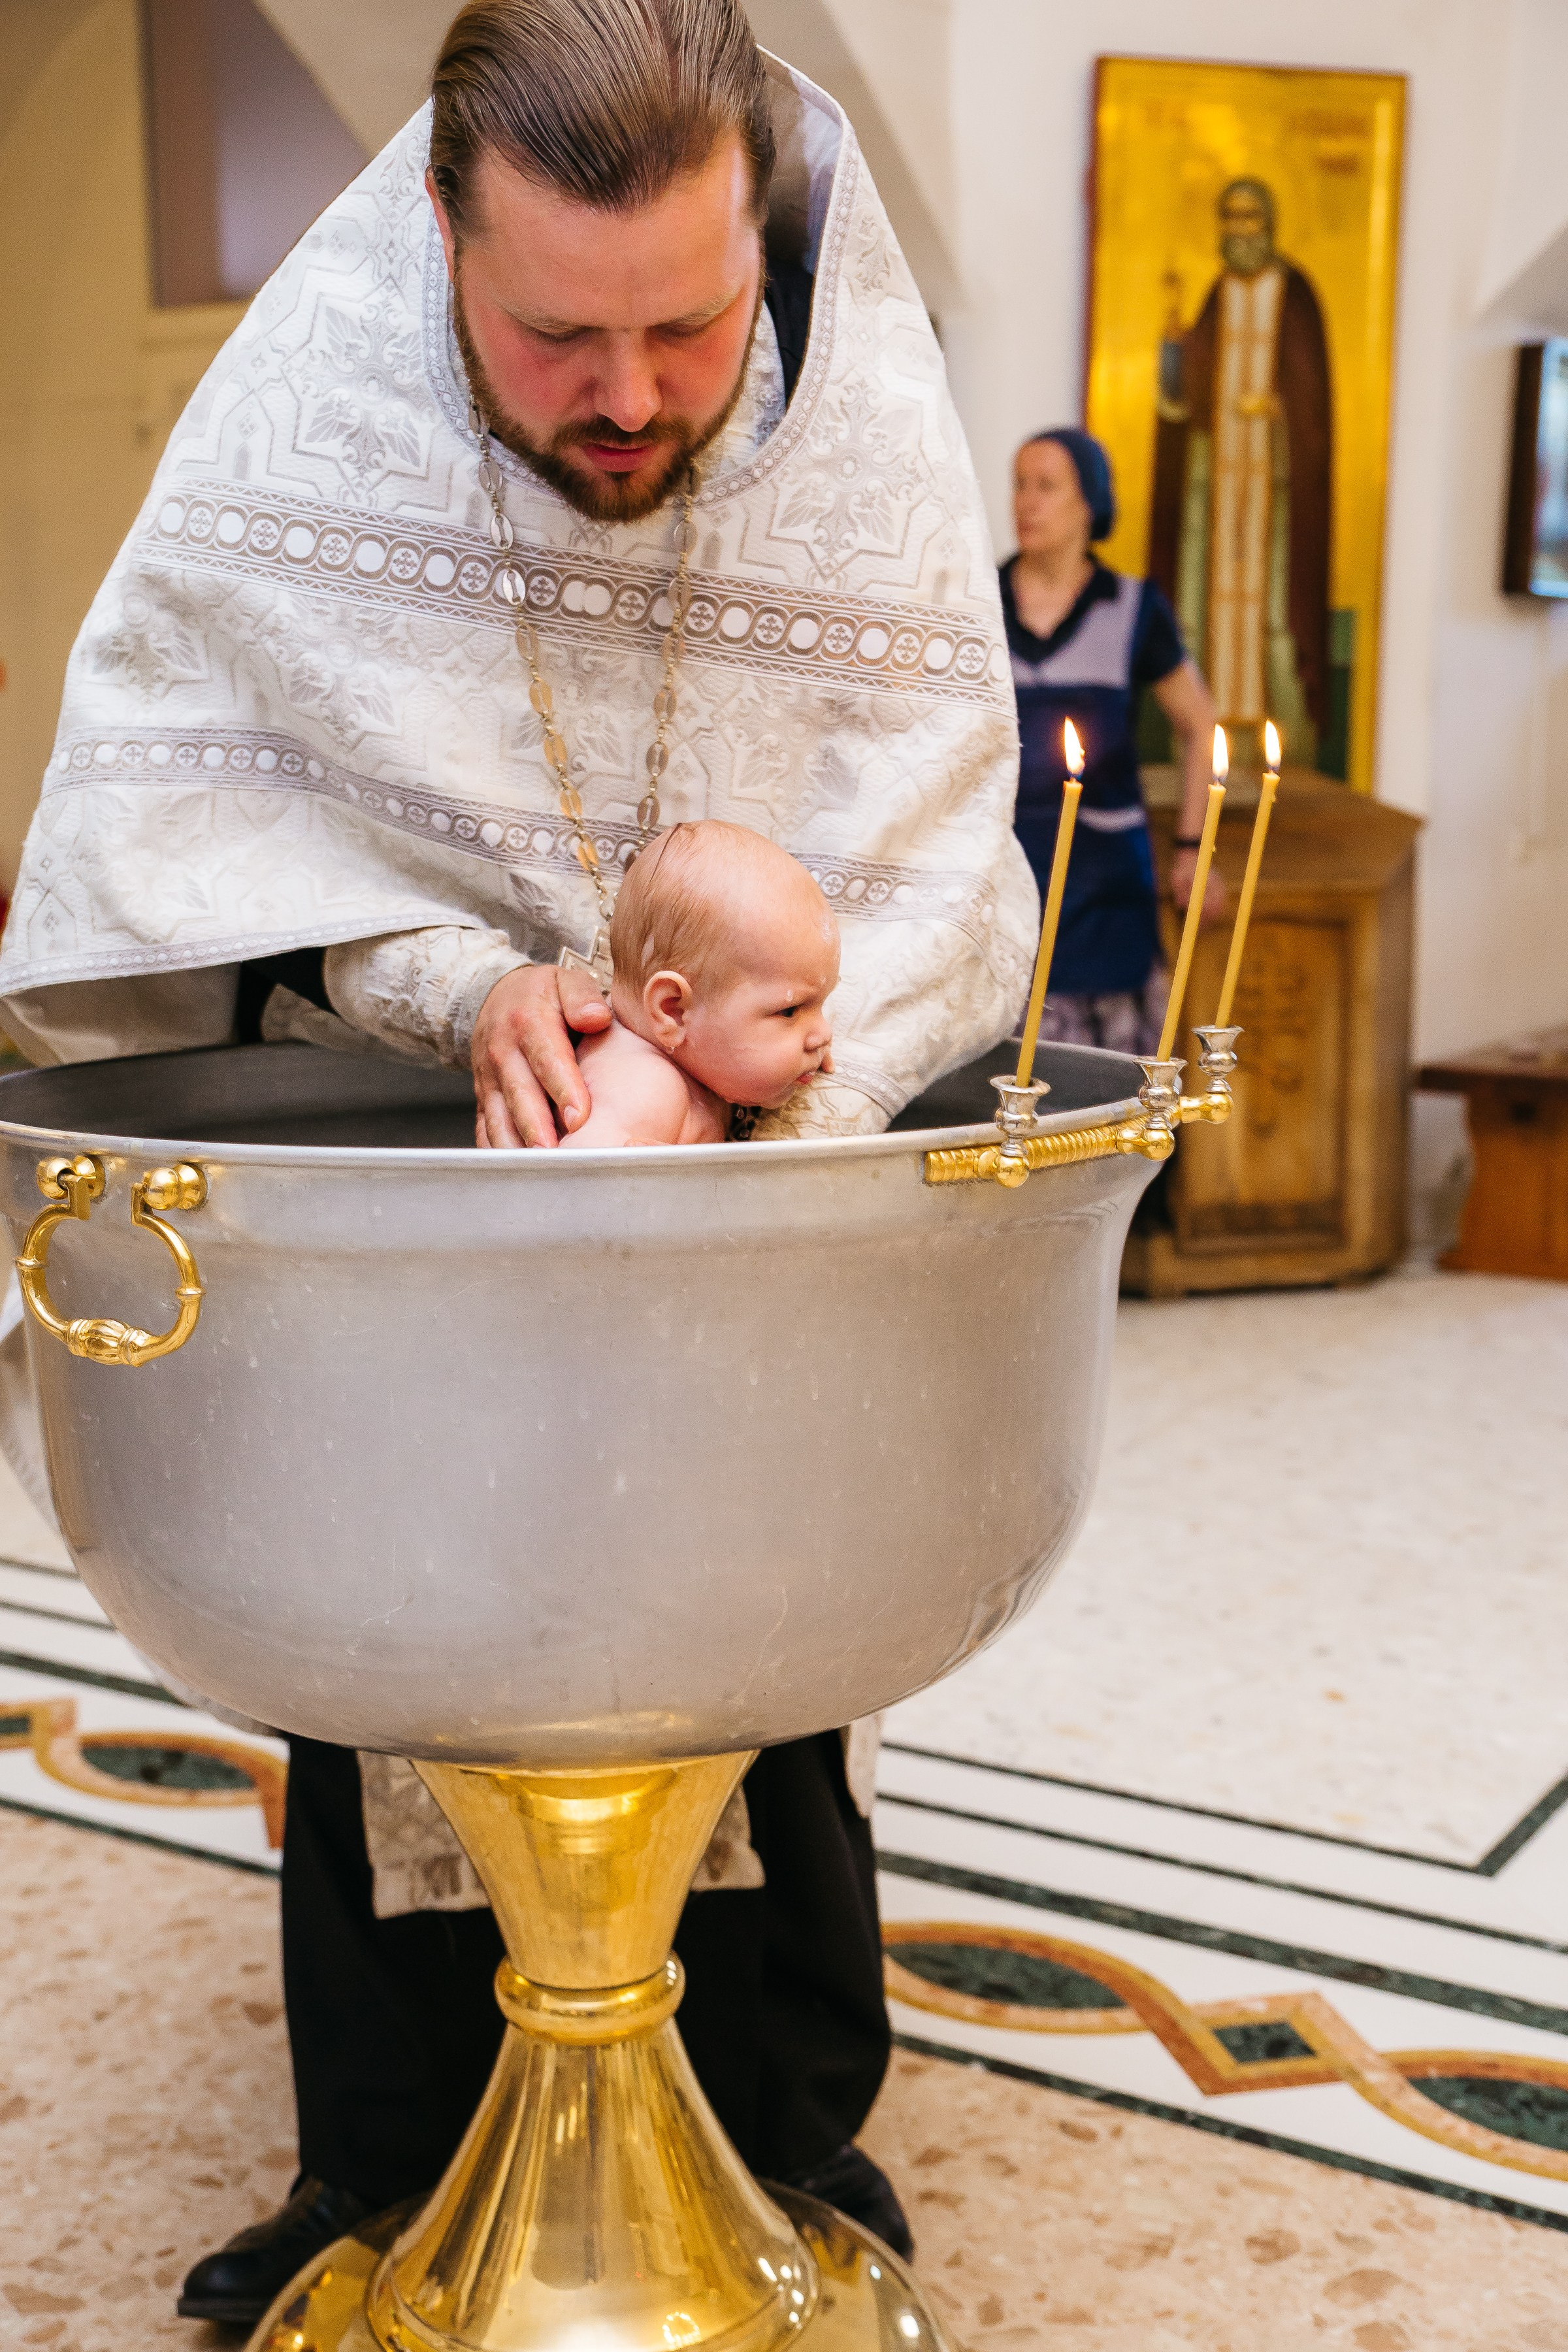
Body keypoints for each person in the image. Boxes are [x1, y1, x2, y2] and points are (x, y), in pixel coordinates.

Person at [0, 0, 1037, 2324]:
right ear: (438, 245)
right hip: (420, 1204)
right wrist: (464, 992)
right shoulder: (311, 405)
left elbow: (950, 870)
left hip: (749, 1213)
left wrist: (745, 1081)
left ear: (758, 240)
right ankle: (385, 2171)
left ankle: (773, 2133)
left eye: (687, 323)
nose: (634, 392)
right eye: (555, 335)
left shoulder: (852, 413)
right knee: (392, 1658)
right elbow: (180, 852)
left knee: (759, 1641)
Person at [1003, 427, 1222, 1056]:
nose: (1027, 502)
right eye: (1020, 484)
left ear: (1089, 504)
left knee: (1107, 1084)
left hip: (1103, 883)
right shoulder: (979, 600)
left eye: (1047, 486)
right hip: (1009, 872)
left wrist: (1191, 849)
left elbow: (1202, 725)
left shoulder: (1131, 607)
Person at [1148, 178, 1332, 766]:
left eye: (1250, 220)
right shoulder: (1217, 295)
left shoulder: (1296, 295)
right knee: (1208, 605)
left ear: (1270, 224)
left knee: (1272, 613)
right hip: (1218, 486)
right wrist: (1175, 355)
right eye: (1230, 220)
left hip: (1273, 487)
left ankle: (1279, 747)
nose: (1239, 232)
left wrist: (1277, 406)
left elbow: (1314, 404)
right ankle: (1206, 739)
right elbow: (1186, 402)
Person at [561, 822, 839, 1148]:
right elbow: (571, 1182)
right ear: (673, 1010)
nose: (824, 1034)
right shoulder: (645, 1087)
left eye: (821, 1005)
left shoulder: (690, 1062)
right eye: (790, 1010)